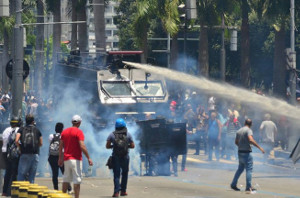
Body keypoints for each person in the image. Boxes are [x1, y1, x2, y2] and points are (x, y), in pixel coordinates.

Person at [58, 115, 93, 198]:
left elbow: (61, 146)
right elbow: (82, 146)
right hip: (76, 159)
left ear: (72, 122)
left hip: (66, 159)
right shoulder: (79, 132)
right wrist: (88, 157)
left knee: (66, 179)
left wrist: (60, 158)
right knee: (77, 180)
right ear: (79, 123)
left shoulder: (64, 132)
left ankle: (63, 196)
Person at [231, 119, 265, 193]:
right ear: (251, 124)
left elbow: (236, 142)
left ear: (244, 123)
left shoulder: (239, 131)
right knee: (249, 170)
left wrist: (241, 146)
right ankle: (248, 186)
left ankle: (233, 184)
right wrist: (260, 148)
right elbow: (251, 140)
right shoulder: (249, 130)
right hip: (247, 153)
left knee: (240, 169)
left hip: (240, 152)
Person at [106, 118, 135, 197]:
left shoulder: (112, 135)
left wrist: (113, 146)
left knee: (116, 174)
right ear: (124, 125)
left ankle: (116, 192)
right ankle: (123, 191)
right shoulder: (128, 134)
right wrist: (126, 146)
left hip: (116, 157)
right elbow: (132, 146)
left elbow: (107, 146)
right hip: (125, 156)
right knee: (125, 173)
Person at [15, 114, 43, 183]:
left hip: (24, 154)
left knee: (21, 175)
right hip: (34, 154)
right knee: (31, 176)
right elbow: (41, 143)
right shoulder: (37, 130)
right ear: (33, 122)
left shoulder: (21, 129)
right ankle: (30, 192)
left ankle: (19, 191)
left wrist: (20, 148)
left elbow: (16, 140)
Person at [1, 117, 21, 196]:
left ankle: (5, 191)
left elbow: (3, 141)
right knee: (15, 172)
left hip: (5, 152)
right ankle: (14, 192)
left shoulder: (6, 130)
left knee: (8, 172)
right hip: (14, 153)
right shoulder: (19, 130)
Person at [48, 122, 66, 190]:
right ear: (62, 129)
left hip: (52, 157)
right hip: (61, 156)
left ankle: (56, 188)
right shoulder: (63, 136)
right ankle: (69, 188)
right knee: (65, 173)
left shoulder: (51, 136)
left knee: (54, 174)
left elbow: (50, 143)